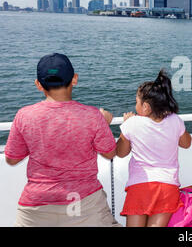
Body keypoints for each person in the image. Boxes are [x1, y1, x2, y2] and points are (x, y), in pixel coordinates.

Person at [4, 53, 120, 227]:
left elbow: (12, 159)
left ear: (38, 85)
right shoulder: (92, 116)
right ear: (74, 79)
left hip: (37, 207)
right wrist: (103, 123)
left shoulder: (24, 116)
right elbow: (110, 153)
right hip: (85, 204)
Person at [115, 70, 192, 227]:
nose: (135, 105)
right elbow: (186, 143)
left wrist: (127, 125)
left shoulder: (132, 123)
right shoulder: (175, 120)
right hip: (167, 186)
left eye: (136, 102)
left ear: (145, 106)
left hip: (141, 186)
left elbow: (121, 153)